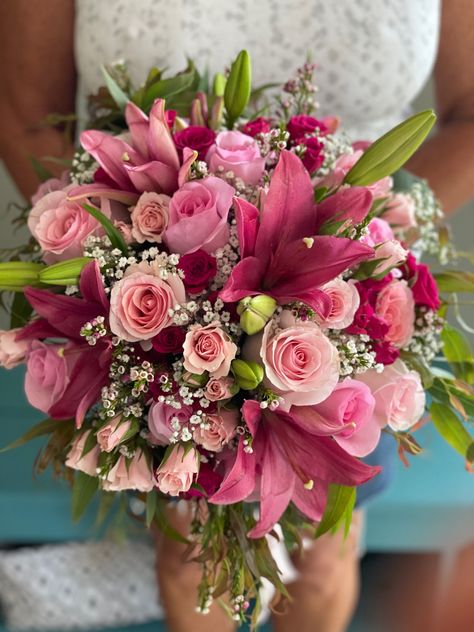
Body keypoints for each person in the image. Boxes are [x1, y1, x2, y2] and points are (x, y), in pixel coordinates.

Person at [1, 2, 474, 631]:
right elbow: (28, 116)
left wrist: (364, 236)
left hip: (348, 286)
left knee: (324, 555)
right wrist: (136, 262)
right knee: (187, 554)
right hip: (154, 281)